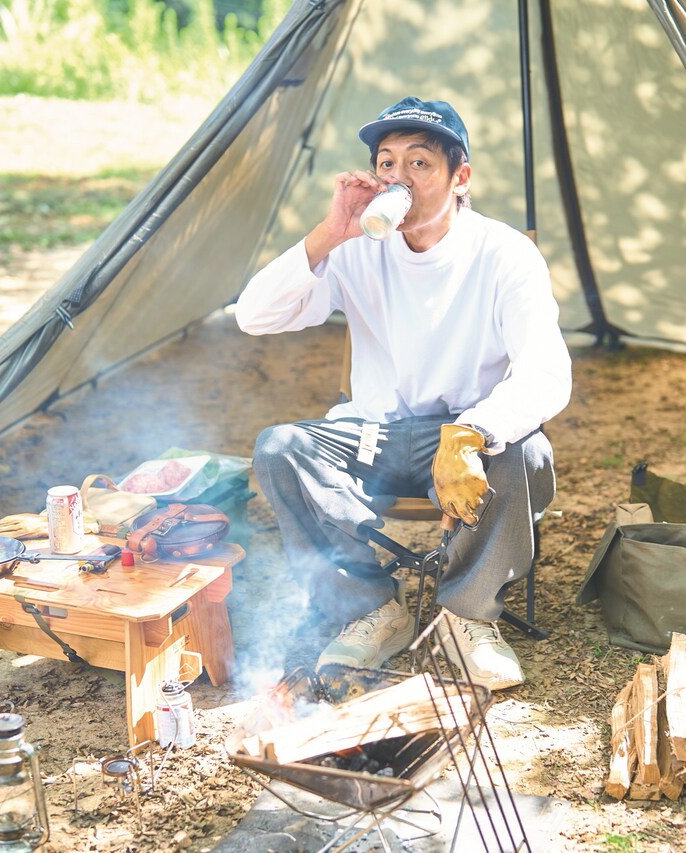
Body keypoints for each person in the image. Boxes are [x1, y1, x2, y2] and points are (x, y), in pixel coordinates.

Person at [235, 97, 572, 690]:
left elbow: (547, 371)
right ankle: (370, 609)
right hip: (378, 433)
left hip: (470, 440)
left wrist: (471, 433)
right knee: (279, 446)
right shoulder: (357, 247)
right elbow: (254, 316)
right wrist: (329, 232)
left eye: (420, 163)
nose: (400, 178)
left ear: (459, 177)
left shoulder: (504, 254)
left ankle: (467, 618)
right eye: (387, 164)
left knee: (529, 451)